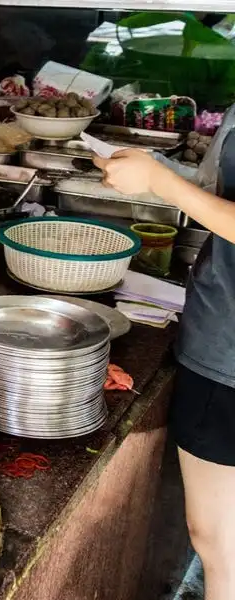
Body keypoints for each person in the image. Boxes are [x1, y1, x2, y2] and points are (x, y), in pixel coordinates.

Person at [93, 106, 235, 600]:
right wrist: (157, 172)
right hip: (220, 335)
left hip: (230, 358)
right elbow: (220, 188)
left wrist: (158, 179)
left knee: (221, 543)